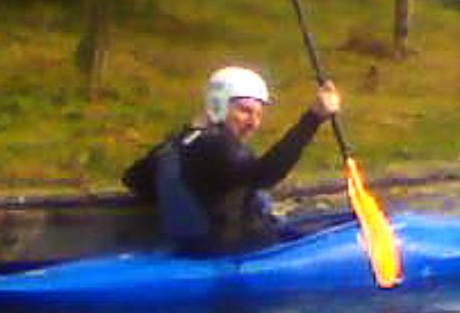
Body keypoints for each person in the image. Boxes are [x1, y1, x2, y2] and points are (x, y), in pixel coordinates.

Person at [122, 65, 340, 255]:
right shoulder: (219, 147)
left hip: (189, 251)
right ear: (218, 105)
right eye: (245, 111)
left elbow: (133, 179)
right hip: (237, 256)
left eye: (258, 115)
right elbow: (265, 175)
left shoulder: (175, 145)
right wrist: (313, 118)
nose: (253, 123)